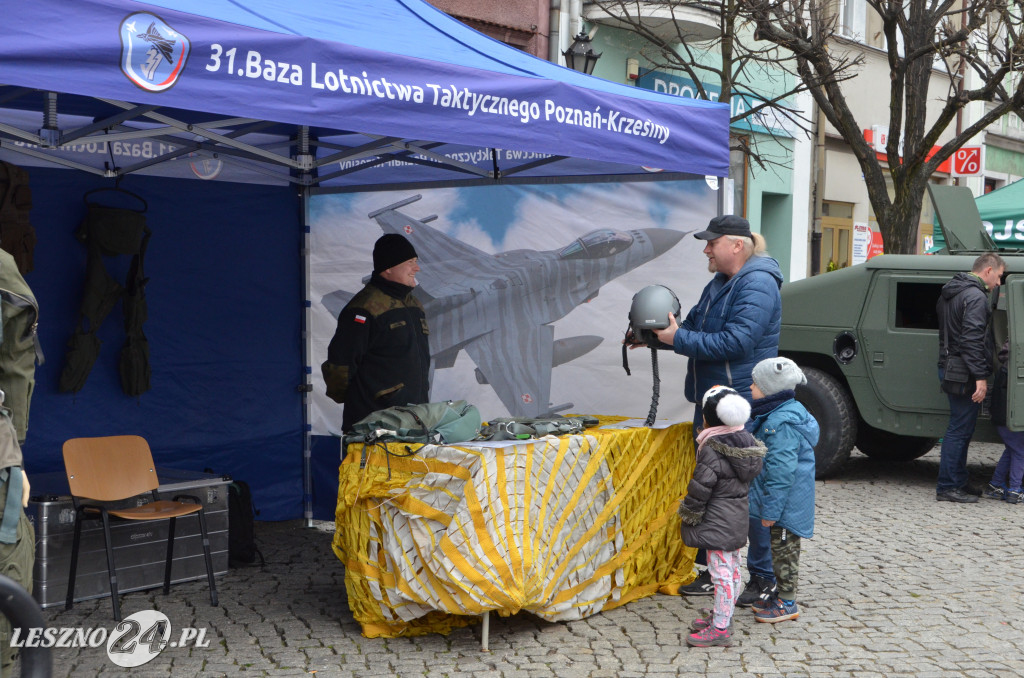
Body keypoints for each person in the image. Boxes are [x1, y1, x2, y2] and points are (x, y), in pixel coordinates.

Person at [653, 214, 783, 597]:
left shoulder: (758, 283)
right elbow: (692, 330)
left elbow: (736, 342)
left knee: (747, 493)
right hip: (714, 403)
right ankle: (712, 571)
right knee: (713, 490)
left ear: (737, 245)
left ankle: (763, 579)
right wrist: (656, 338)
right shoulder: (721, 282)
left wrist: (676, 339)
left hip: (741, 406)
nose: (706, 249)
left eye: (712, 242)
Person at [678, 385, 766, 647]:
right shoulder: (745, 441)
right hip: (736, 517)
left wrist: (690, 512)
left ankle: (720, 629)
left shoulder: (713, 447)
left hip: (717, 520)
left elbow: (701, 486)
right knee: (732, 569)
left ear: (709, 418)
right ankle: (723, 615)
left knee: (720, 574)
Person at [321, 233, 431, 432]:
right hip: (375, 425)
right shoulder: (363, 309)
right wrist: (362, 401)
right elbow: (340, 367)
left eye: (416, 261)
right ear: (388, 267)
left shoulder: (415, 305)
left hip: (414, 420)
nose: (417, 268)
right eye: (409, 262)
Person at [745, 357, 819, 623]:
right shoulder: (778, 414)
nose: (751, 387)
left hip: (785, 505)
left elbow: (781, 472)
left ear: (770, 389)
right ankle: (780, 597)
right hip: (782, 502)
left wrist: (771, 510)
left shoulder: (780, 424)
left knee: (784, 551)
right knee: (779, 549)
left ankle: (787, 603)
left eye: (755, 383)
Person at [935, 252, 1005, 503]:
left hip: (950, 366)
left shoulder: (951, 293)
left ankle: (958, 481)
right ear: (987, 271)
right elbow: (971, 340)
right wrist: (980, 377)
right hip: (964, 372)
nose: (998, 283)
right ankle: (947, 487)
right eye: (998, 276)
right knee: (959, 430)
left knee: (962, 428)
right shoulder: (975, 297)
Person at [984, 340, 1024, 504]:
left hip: (1003, 417)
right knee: (1019, 451)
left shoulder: (1006, 369)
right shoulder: (1014, 374)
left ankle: (996, 484)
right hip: (1009, 418)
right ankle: (1015, 489)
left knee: (1012, 449)